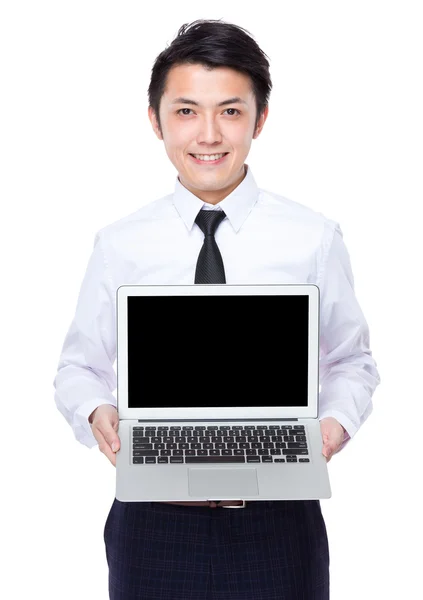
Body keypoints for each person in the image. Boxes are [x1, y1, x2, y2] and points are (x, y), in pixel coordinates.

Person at [53, 18, 381, 600]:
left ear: (260, 119)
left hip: (278, 521)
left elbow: (352, 361)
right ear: (155, 120)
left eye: (230, 110)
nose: (208, 134)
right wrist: (95, 414)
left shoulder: (313, 237)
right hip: (153, 523)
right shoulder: (121, 243)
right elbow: (79, 367)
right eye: (186, 111)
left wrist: (332, 428)